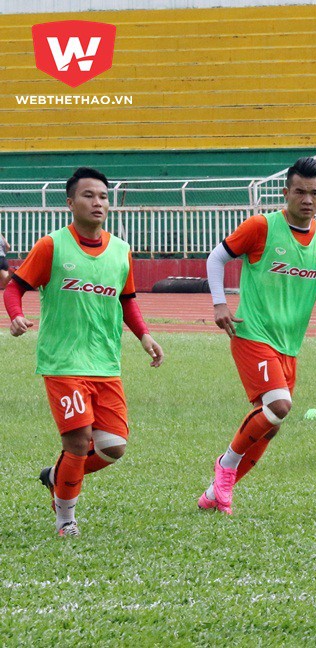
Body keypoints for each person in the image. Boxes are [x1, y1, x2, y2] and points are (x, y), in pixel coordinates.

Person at [4, 167, 163, 537]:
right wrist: (16, 317)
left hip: (105, 364)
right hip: (63, 362)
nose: (98, 202)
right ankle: (66, 521)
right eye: (88, 195)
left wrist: (144, 336)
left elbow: (128, 300)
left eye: (103, 196)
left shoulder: (121, 250)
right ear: (70, 202)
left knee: (113, 447)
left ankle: (56, 477)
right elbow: (15, 288)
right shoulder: (52, 246)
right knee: (77, 440)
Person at [197, 157, 316, 515]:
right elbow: (216, 259)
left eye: (314, 193)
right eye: (300, 192)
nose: (307, 199)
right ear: (286, 193)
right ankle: (226, 465)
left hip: (288, 343)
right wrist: (219, 304)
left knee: (270, 427)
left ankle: (215, 495)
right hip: (251, 331)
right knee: (279, 408)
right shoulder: (261, 226)